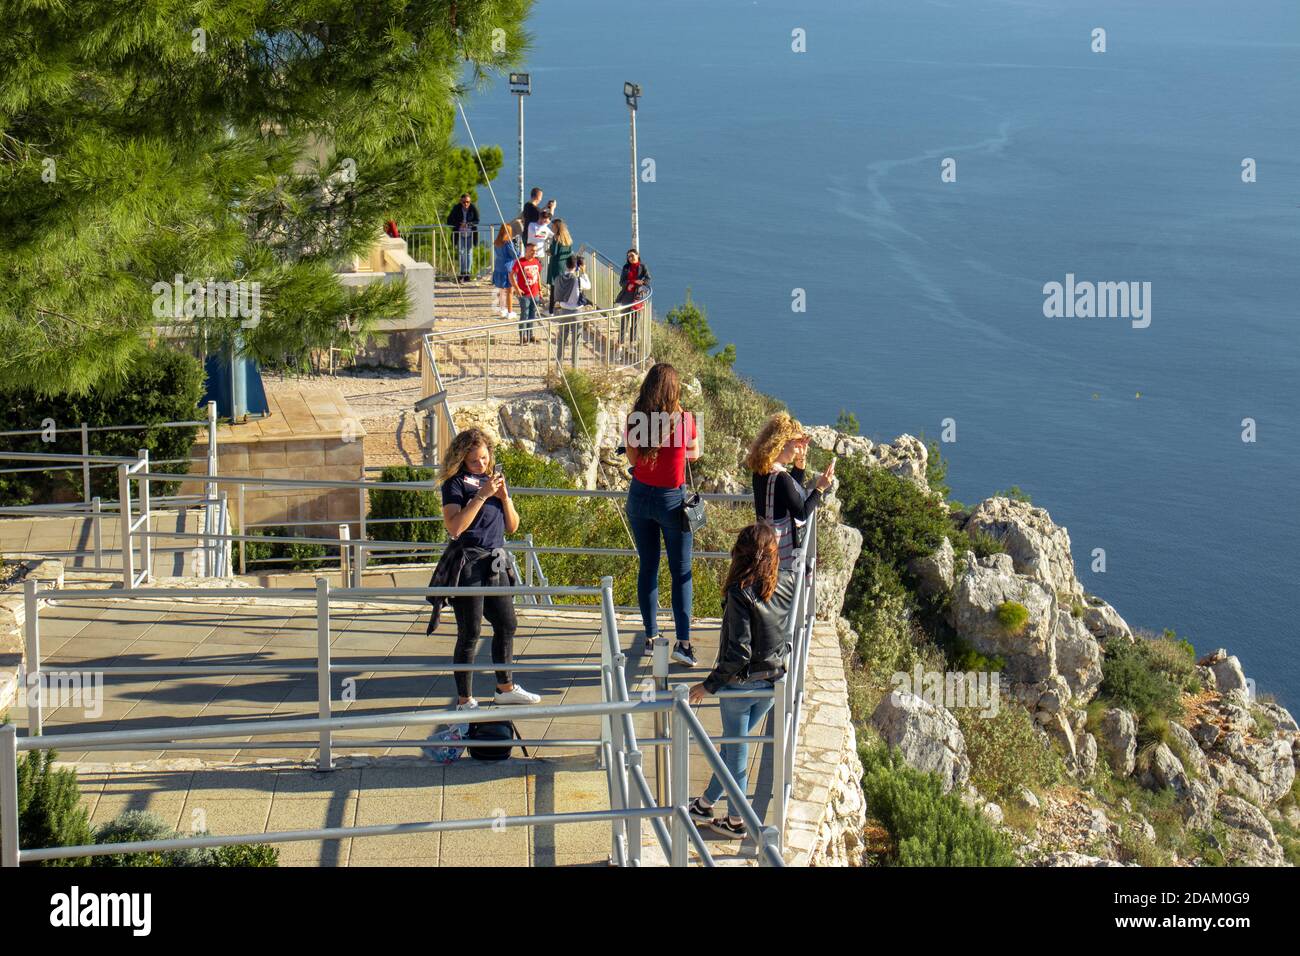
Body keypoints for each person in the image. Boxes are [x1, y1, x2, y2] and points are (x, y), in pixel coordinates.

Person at [686, 524, 793, 838]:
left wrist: (708, 685)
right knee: (734, 746)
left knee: (737, 751)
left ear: (740, 555)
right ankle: (705, 804)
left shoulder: (740, 591)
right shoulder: (786, 581)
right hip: (773, 681)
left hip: (741, 686)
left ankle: (736, 821)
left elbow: (738, 652)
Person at [427, 428, 541, 709]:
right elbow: (455, 527)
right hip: (468, 563)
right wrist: (481, 495)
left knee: (506, 624)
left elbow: (513, 526)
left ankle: (505, 687)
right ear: (462, 458)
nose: (481, 465)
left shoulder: (493, 481)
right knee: (470, 632)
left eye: (485, 458)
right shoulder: (454, 485)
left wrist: (504, 497)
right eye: (475, 460)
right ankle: (465, 699)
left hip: (495, 560)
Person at [624, 363, 699, 666]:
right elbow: (694, 453)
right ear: (674, 390)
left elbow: (631, 456)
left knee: (649, 567)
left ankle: (651, 638)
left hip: (640, 496)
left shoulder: (636, 419)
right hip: (672, 500)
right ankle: (683, 643)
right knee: (681, 571)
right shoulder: (684, 420)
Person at [745, 412, 834, 570]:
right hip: (781, 552)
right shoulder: (780, 477)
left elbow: (789, 493)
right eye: (796, 444)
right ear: (783, 444)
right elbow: (801, 512)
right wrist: (820, 487)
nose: (799, 448)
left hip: (764, 544)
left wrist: (800, 462)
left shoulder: (762, 469)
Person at [551, 255, 590, 363]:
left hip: (564, 312)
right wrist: (584, 272)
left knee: (561, 340)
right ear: (577, 266)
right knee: (576, 342)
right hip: (577, 312)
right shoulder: (578, 280)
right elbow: (588, 286)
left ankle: (558, 368)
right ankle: (574, 368)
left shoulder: (558, 278)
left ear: (566, 264)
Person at [615, 248, 650, 346]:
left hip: (637, 297)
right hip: (626, 296)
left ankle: (632, 344)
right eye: (628, 256)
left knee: (635, 322)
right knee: (624, 321)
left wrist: (640, 283)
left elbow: (648, 279)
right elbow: (621, 282)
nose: (630, 258)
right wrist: (632, 282)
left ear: (637, 255)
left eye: (632, 256)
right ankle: (620, 343)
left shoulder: (643, 267)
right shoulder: (626, 267)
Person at [511, 241, 543, 344]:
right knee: (524, 315)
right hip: (524, 294)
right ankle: (522, 337)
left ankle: (530, 335)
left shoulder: (536, 262)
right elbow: (511, 275)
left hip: (535, 293)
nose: (534, 252)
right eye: (532, 250)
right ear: (527, 250)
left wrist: (540, 290)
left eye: (535, 251)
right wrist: (516, 288)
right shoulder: (520, 262)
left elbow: (538, 276)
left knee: (532, 315)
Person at [446, 193, 480, 282]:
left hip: (470, 233)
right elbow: (449, 220)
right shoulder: (456, 208)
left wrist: (468, 224)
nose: (466, 204)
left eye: (468, 202)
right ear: (461, 201)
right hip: (459, 233)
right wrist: (459, 223)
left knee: (469, 252)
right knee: (461, 252)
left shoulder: (473, 208)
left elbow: (477, 220)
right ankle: (462, 272)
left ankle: (467, 273)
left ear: (470, 202)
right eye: (464, 202)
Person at [545, 218, 574, 312]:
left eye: (552, 226)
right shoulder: (567, 237)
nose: (551, 228)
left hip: (555, 265)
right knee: (562, 286)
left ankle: (551, 311)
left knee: (553, 288)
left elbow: (554, 252)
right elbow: (569, 251)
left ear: (556, 227)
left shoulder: (556, 237)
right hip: (564, 264)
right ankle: (563, 308)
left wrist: (548, 251)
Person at [491, 224, 519, 319]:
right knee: (510, 291)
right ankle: (510, 311)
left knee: (501, 290)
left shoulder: (497, 242)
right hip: (508, 267)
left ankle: (502, 309)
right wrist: (516, 246)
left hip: (499, 266)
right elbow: (515, 255)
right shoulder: (508, 243)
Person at [527, 211, 554, 281]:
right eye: (542, 218)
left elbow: (554, 237)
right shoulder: (532, 225)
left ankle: (537, 288)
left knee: (538, 274)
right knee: (529, 274)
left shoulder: (547, 229)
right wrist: (545, 225)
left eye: (545, 219)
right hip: (530, 253)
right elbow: (535, 235)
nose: (543, 220)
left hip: (540, 255)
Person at [517, 187, 543, 252]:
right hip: (533, 238)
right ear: (538, 197)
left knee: (528, 255)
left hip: (525, 235)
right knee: (534, 257)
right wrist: (552, 209)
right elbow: (546, 221)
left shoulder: (526, 205)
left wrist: (544, 207)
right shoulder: (537, 210)